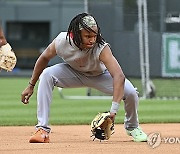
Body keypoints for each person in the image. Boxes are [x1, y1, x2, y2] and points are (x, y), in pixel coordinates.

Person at [21, 13, 147, 143]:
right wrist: (31, 85)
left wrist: (113, 111)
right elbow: (44, 57)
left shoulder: (101, 47)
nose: (92, 40)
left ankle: (132, 127)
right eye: (88, 36)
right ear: (74, 34)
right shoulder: (61, 41)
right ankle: (42, 129)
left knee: (131, 92)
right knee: (47, 74)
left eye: (94, 35)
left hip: (100, 76)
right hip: (73, 73)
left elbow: (119, 76)